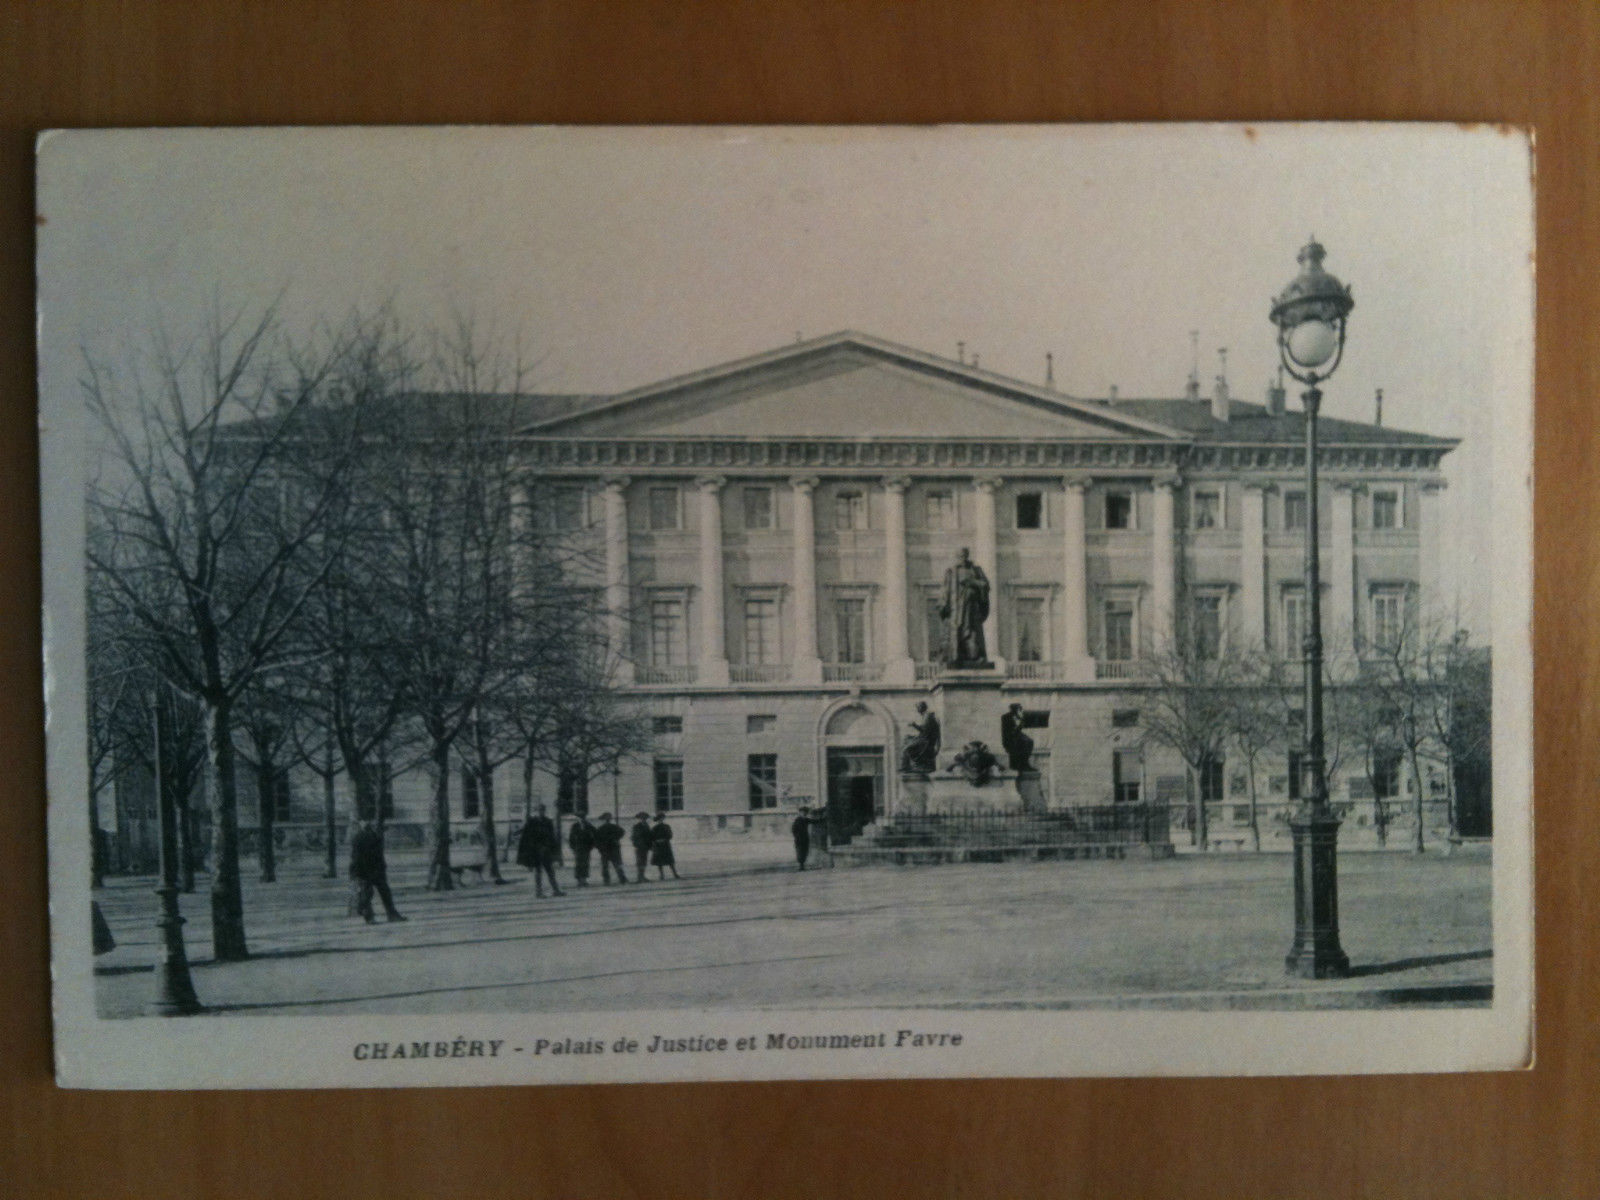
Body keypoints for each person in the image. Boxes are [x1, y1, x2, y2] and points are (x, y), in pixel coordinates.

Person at [940, 547, 991, 667]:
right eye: (960, 556)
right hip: (956, 609)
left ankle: (974, 656)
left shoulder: (976, 570)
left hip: (972, 609)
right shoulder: (951, 572)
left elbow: (985, 585)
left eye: (964, 556)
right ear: (957, 557)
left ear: (967, 556)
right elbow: (945, 591)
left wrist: (972, 582)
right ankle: (956, 657)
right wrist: (943, 606)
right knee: (957, 633)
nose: (962, 558)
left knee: (972, 634)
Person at [349, 819, 406, 923]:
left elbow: (377, 855)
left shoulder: (372, 836)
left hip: (373, 870)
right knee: (369, 894)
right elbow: (356, 857)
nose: (369, 824)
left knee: (380, 893)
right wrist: (357, 872)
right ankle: (371, 916)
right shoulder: (360, 837)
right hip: (366, 870)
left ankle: (386, 915)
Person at [516, 803, 565, 897]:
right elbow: (527, 836)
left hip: (546, 851)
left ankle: (556, 890)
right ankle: (538, 892)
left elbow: (552, 837)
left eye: (542, 810)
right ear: (536, 811)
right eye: (539, 810)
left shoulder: (548, 821)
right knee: (538, 872)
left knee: (550, 871)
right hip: (536, 851)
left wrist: (552, 850)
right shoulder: (532, 822)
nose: (541, 812)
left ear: (544, 811)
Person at [594, 812, 629, 884]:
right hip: (612, 849)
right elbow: (622, 832)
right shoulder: (614, 827)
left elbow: (597, 840)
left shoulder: (601, 828)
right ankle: (621, 878)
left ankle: (607, 880)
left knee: (606, 866)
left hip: (607, 849)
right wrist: (616, 839)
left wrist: (600, 848)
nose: (607, 820)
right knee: (616, 865)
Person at [1000, 702, 1035, 772]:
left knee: (1030, 741)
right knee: (1022, 742)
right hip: (1009, 736)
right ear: (1013, 709)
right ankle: (1019, 764)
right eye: (1018, 708)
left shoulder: (1019, 716)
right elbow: (1007, 730)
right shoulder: (1005, 717)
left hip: (1017, 734)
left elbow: (1019, 729)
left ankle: (1025, 763)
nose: (1019, 710)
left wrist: (1020, 722)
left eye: (1019, 708)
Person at [568, 812, 596, 887]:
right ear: (577, 818)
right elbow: (571, 838)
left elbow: (595, 833)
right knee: (578, 864)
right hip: (577, 848)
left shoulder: (588, 826)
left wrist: (592, 846)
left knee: (586, 863)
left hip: (586, 848)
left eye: (583, 817)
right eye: (580, 817)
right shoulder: (575, 826)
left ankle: (584, 880)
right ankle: (579, 880)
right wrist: (572, 847)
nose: (581, 819)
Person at [650, 811, 680, 880]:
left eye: (662, 818)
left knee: (670, 861)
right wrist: (656, 842)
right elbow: (652, 837)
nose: (661, 820)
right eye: (659, 819)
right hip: (658, 846)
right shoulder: (654, 828)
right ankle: (661, 875)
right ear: (657, 820)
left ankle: (675, 874)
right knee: (659, 862)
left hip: (666, 845)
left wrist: (665, 839)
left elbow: (670, 835)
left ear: (663, 819)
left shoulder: (667, 826)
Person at [630, 812, 654, 882]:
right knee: (639, 862)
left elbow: (650, 837)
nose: (644, 819)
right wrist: (635, 845)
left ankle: (642, 876)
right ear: (639, 819)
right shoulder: (636, 826)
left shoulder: (647, 826)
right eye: (642, 818)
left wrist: (651, 846)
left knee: (644, 862)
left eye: (645, 818)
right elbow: (633, 837)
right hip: (639, 847)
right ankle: (639, 877)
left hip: (645, 847)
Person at [791, 806, 815, 870]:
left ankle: (802, 865)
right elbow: (793, 830)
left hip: (805, 838)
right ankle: (801, 865)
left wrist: (824, 818)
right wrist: (797, 837)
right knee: (800, 852)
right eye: (803, 812)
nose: (804, 813)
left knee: (805, 851)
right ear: (800, 813)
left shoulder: (806, 820)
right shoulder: (797, 820)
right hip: (799, 839)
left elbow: (814, 821)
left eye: (805, 812)